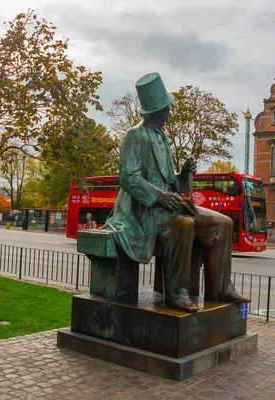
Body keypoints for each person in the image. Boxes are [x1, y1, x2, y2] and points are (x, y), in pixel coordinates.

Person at [101, 72, 250, 313]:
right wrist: (160, 197)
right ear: (158, 110)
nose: (170, 110)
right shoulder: (135, 136)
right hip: (144, 212)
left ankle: (220, 288)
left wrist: (182, 174)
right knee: (183, 224)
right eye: (167, 107)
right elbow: (129, 179)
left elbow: (171, 184)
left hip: (167, 206)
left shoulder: (162, 139)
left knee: (222, 224)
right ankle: (176, 293)